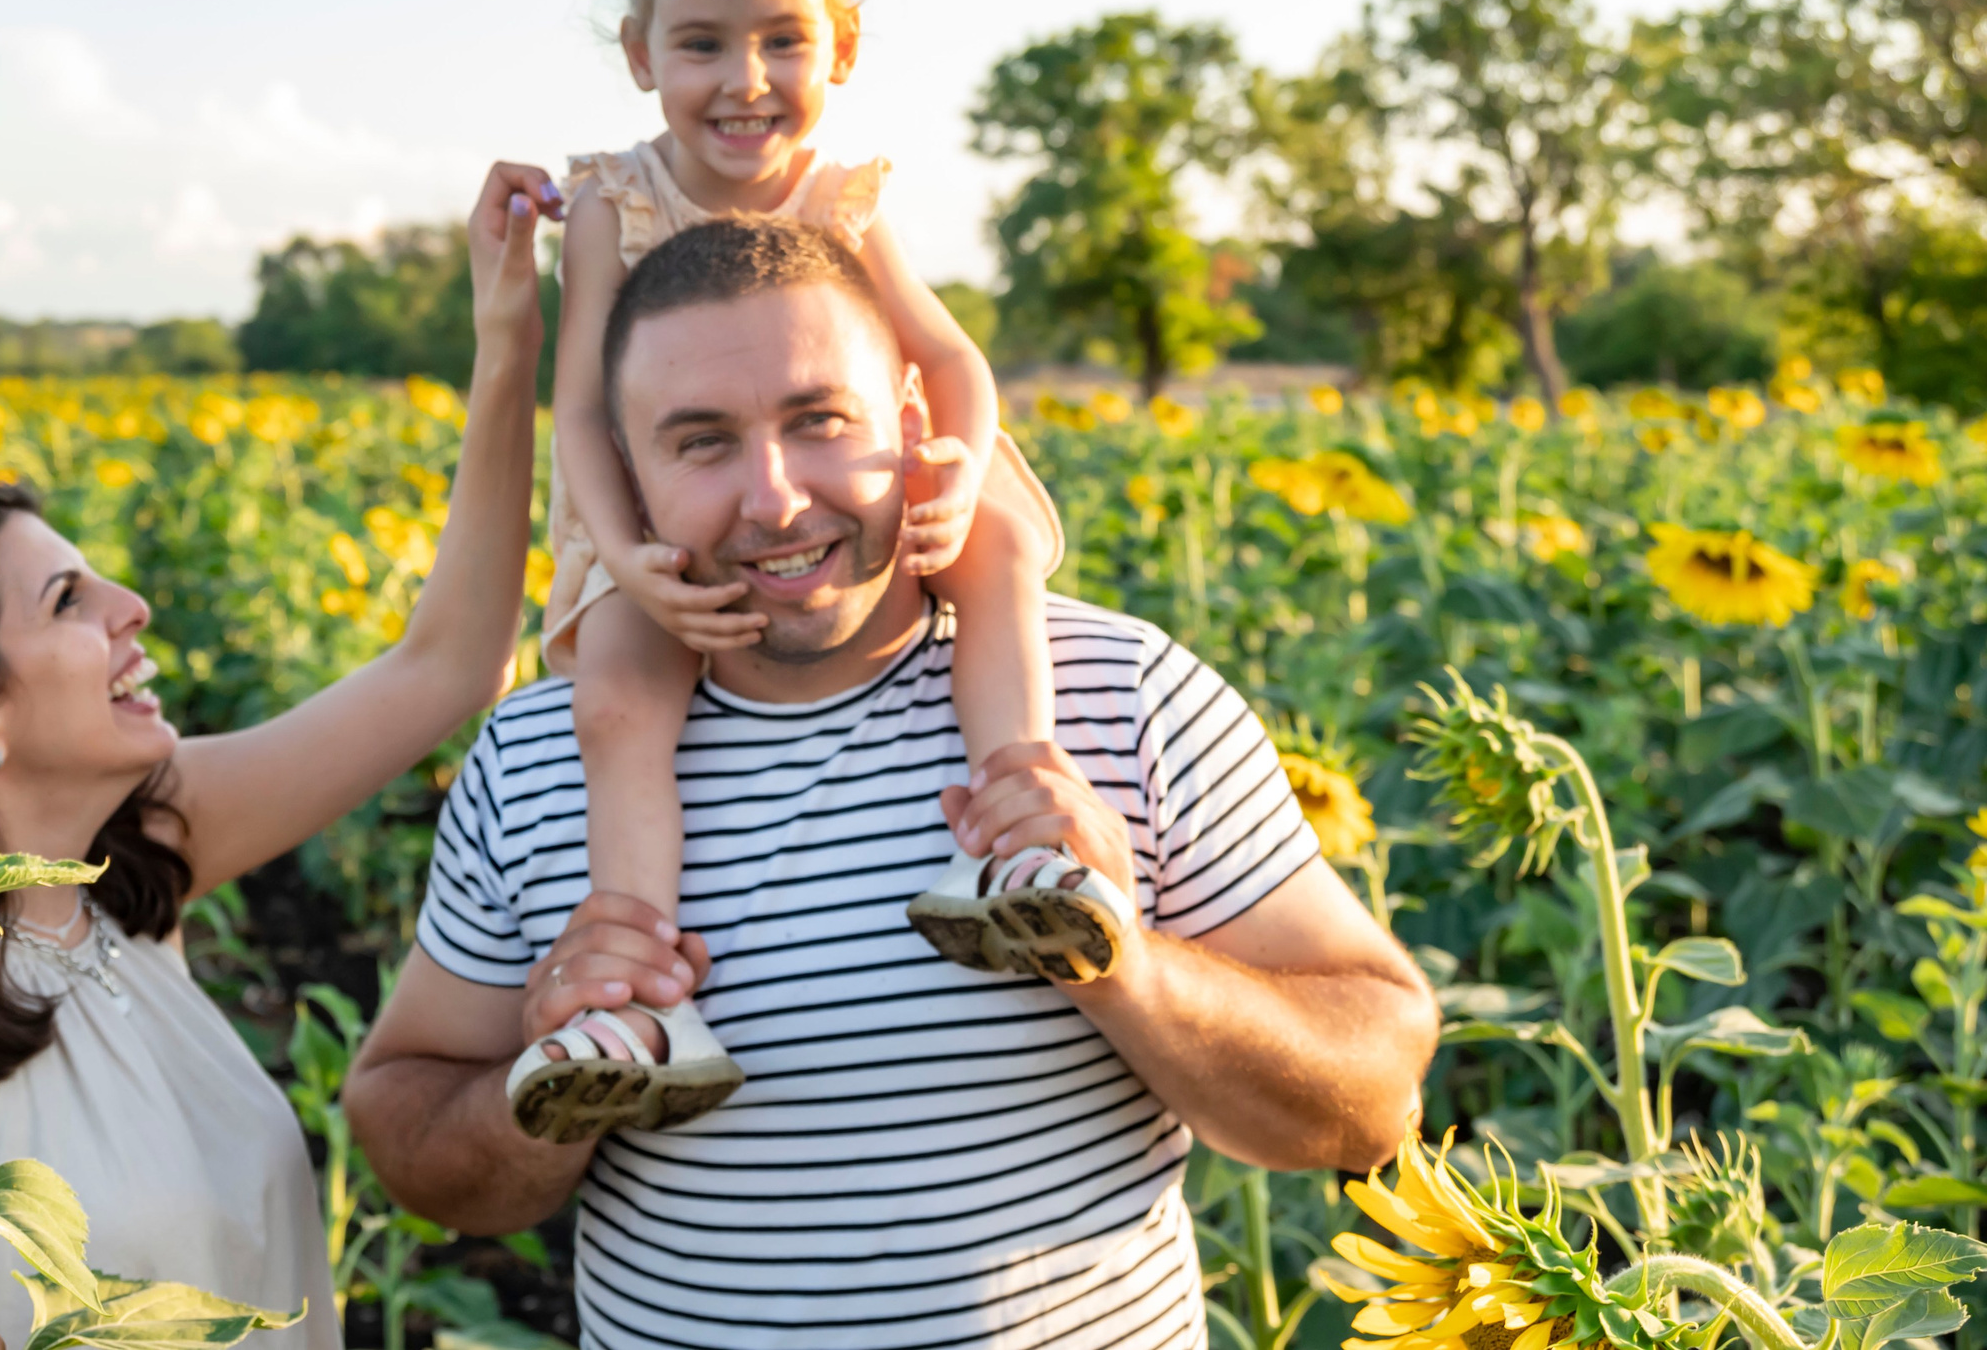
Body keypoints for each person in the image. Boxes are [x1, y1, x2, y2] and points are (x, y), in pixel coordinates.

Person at [344, 215, 1439, 1350]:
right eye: (702, 442)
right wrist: (541, 1080)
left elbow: (1373, 1097)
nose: (773, 498)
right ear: (625, 480)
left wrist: (1127, 966)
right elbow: (412, 1142)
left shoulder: (1121, 695)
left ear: (914, 426)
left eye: (819, 420)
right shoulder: (534, 758)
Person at [0, 164, 559, 1350]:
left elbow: (445, 667)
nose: (130, 605)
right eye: (68, 598)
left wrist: (505, 336)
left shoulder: (134, 860)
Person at [517, 0, 1086, 1144]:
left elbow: (947, 358)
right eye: (702, 44)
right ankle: (639, 985)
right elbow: (588, 405)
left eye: (783, 41)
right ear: (638, 53)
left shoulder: (844, 192)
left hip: (871, 469)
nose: (745, 81)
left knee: (997, 546)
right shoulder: (612, 200)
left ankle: (1022, 825)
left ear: (842, 46)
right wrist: (626, 551)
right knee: (616, 693)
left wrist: (953, 454)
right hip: (657, 502)